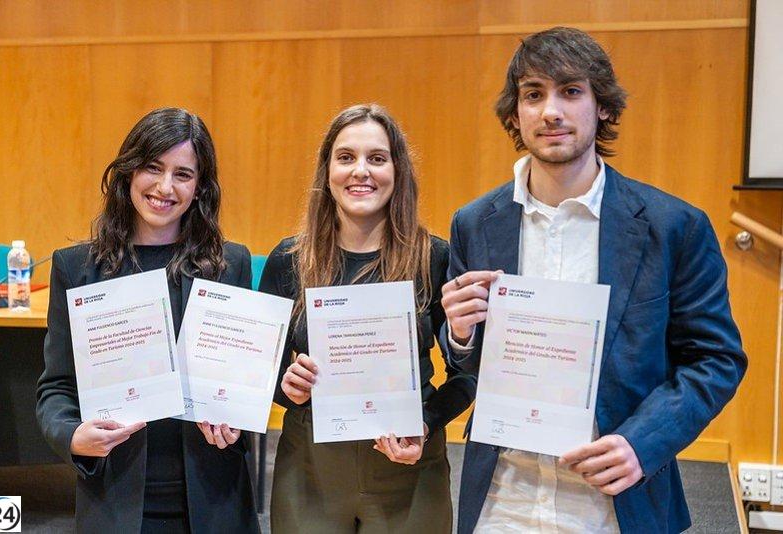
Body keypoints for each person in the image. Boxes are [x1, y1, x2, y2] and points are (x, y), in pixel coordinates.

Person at [440, 27, 746, 533]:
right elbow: (466, 366)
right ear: (514, 115)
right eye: (533, 95)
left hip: (615, 506)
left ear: (602, 106)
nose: (551, 112)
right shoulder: (474, 223)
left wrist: (641, 444)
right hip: (502, 502)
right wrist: (459, 334)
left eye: (570, 91)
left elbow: (716, 359)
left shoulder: (674, 227)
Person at [36, 107, 260, 534]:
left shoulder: (230, 265)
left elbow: (241, 383)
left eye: (183, 174)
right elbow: (56, 387)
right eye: (153, 168)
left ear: (200, 187)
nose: (164, 187)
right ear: (128, 172)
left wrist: (236, 422)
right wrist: (73, 437)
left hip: (214, 501)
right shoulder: (77, 269)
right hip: (116, 503)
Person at [260, 103, 475, 533]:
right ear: (327, 172)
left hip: (410, 465)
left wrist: (427, 424)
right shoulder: (289, 259)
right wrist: (287, 388)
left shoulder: (434, 258)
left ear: (398, 171)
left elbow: (467, 373)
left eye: (377, 158)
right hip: (310, 469)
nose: (361, 171)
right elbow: (261, 372)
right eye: (346, 157)